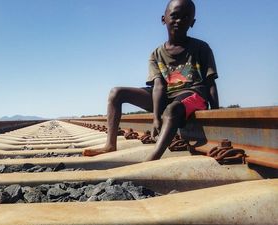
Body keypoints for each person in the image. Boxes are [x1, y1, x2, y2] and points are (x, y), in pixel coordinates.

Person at [83, 0, 219, 161]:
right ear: (164, 19)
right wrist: (156, 118)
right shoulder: (156, 54)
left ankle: (153, 157)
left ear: (193, 22)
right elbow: (159, 86)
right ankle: (110, 145)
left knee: (172, 109)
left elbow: (210, 82)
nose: (179, 20)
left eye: (186, 17)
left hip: (193, 93)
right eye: (174, 16)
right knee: (116, 92)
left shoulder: (201, 47)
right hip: (167, 95)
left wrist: (215, 113)